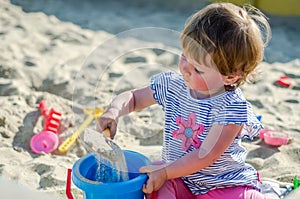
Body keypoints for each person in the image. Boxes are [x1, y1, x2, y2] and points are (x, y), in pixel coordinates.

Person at [97, 2, 275, 199]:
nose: (185, 69)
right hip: (179, 178)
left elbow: (206, 154)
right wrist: (113, 111)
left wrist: (166, 172)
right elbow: (133, 98)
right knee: (152, 180)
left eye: (198, 69)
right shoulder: (173, 86)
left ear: (230, 76)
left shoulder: (231, 107)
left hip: (222, 185)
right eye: (184, 56)